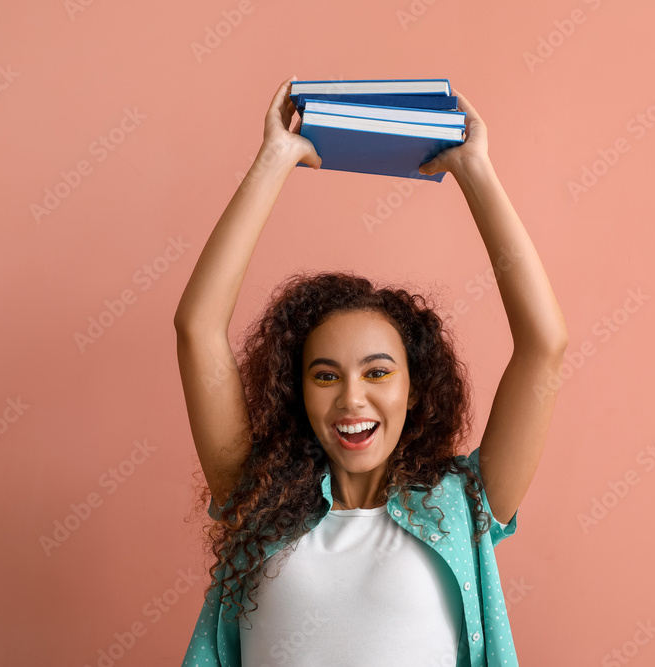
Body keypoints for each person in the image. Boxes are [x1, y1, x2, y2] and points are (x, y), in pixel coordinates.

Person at [175, 76, 568, 666]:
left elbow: (545, 344)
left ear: (415, 390)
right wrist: (275, 159)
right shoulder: (255, 494)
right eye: (326, 375)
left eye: (378, 373)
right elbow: (197, 329)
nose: (351, 398)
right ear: (297, 390)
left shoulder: (464, 502)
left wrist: (475, 171)